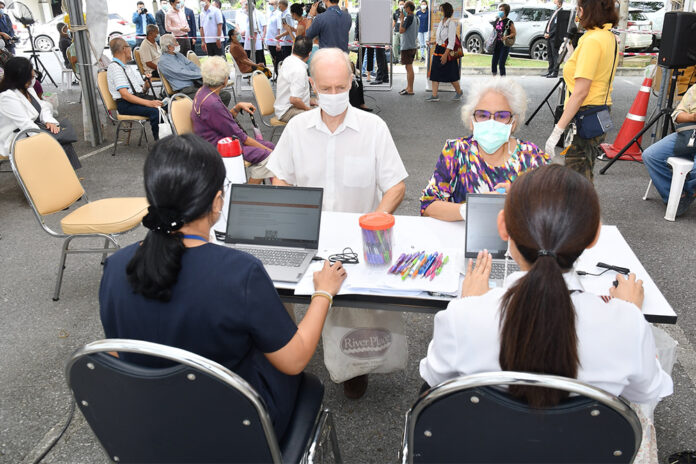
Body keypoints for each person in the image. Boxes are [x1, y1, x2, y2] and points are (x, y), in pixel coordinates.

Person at [99, 133, 347, 440]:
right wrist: (323, 292)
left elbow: (118, 353)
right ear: (217, 201)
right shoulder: (239, 273)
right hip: (236, 427)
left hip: (152, 421)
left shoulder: (115, 266)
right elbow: (294, 361)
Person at [419, 164, 673, 461]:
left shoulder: (462, 317)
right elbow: (648, 392)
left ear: (503, 227)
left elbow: (435, 381)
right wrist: (629, 311)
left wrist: (469, 304)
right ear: (594, 236)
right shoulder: (627, 323)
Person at [267, 48, 408, 399]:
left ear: (351, 82)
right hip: (308, 233)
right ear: (312, 86)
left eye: (340, 87)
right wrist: (293, 214)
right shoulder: (297, 128)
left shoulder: (373, 128)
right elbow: (278, 177)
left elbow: (396, 184)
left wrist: (377, 217)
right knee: (272, 284)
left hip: (359, 237)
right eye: (325, 88)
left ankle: (353, 366)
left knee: (354, 309)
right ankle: (286, 348)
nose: (333, 95)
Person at [420, 78, 548, 220]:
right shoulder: (456, 151)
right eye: (482, 115)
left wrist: (520, 199)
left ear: (513, 122)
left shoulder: (531, 157)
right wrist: (470, 209)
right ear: (472, 121)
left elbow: (556, 207)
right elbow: (428, 205)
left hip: (515, 240)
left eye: (501, 116)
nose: (491, 122)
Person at [544, 0, 619, 182]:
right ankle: (584, 208)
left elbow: (581, 92)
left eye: (578, 9)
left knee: (577, 178)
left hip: (586, 112)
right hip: (598, 109)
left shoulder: (592, 41)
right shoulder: (607, 36)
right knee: (582, 172)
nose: (577, 14)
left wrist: (557, 130)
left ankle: (583, 210)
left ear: (586, 10)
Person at [192, 56, 274, 183]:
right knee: (269, 155)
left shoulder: (203, 92)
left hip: (211, 142)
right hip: (218, 148)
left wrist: (237, 107)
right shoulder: (213, 103)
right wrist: (267, 151)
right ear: (225, 80)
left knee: (270, 147)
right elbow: (242, 138)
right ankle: (245, 196)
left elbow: (220, 122)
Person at [0, 57, 81, 169]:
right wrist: (46, 138)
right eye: (31, 75)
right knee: (58, 143)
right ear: (21, 77)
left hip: (33, 129)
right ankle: (53, 176)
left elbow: (43, 106)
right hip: (17, 137)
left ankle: (64, 175)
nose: (34, 77)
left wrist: (49, 121)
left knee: (64, 141)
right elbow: (25, 124)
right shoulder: (7, 97)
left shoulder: (27, 88)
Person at [306, 0, 372, 111]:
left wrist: (310, 16)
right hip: (343, 59)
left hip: (327, 60)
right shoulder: (347, 17)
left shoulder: (321, 18)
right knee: (342, 88)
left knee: (328, 89)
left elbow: (308, 35)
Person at [642, 83, 696, 217]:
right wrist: (692, 117)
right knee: (651, 155)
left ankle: (690, 190)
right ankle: (677, 195)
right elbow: (676, 115)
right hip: (689, 132)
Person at [107, 37, 164, 140]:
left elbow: (137, 92)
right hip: (125, 104)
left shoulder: (125, 67)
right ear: (124, 49)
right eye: (129, 47)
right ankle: (161, 143)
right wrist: (149, 103)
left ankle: (169, 138)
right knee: (156, 111)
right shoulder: (115, 68)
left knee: (166, 104)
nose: (130, 50)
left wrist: (146, 86)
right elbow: (125, 95)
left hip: (133, 100)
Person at [158, 34, 232, 107]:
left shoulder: (178, 55)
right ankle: (215, 117)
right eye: (176, 42)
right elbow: (183, 73)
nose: (178, 44)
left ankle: (216, 116)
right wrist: (202, 74)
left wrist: (203, 73)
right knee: (223, 96)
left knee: (223, 93)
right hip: (186, 91)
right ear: (169, 47)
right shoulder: (163, 61)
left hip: (197, 85)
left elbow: (192, 65)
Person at [274, 36, 317, 122]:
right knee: (322, 117)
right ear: (309, 53)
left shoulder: (288, 60)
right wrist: (308, 109)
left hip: (283, 107)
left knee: (321, 109)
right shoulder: (299, 70)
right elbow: (294, 100)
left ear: (293, 48)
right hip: (288, 111)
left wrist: (308, 102)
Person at [426, 2, 462, 101]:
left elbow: (451, 42)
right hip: (438, 49)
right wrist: (432, 42)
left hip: (447, 51)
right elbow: (441, 38)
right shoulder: (441, 22)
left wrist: (445, 55)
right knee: (435, 73)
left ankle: (459, 92)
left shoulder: (451, 23)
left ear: (446, 11)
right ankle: (434, 95)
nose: (439, 12)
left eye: (441, 10)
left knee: (451, 75)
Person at [398, 1, 418, 96]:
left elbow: (401, 30)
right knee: (408, 66)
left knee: (409, 67)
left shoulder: (409, 17)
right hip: (412, 45)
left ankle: (410, 89)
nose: (404, 9)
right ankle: (408, 87)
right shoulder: (416, 18)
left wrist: (402, 19)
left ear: (409, 8)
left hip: (407, 46)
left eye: (405, 7)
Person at [491, 3, 516, 77]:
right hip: (496, 44)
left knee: (501, 63)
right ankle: (494, 79)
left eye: (502, 10)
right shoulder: (497, 20)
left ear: (506, 12)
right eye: (499, 9)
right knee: (494, 62)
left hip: (504, 45)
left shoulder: (509, 22)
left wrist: (507, 36)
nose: (500, 11)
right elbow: (494, 31)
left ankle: (503, 80)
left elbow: (514, 33)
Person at [543, 0, 563, 78]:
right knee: (550, 54)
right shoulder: (555, 11)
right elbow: (549, 23)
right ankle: (550, 71)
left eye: (555, 1)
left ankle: (555, 72)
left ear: (559, 2)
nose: (554, 2)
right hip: (549, 37)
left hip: (554, 38)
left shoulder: (561, 12)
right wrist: (545, 32)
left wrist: (549, 34)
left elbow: (556, 26)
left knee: (555, 55)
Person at [265, 0, 281, 79]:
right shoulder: (269, 14)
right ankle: (276, 74)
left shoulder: (278, 14)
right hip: (270, 41)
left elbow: (279, 30)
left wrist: (278, 43)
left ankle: (279, 75)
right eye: (269, 4)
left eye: (272, 4)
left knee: (277, 60)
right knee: (273, 60)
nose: (270, 5)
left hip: (275, 42)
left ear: (276, 5)